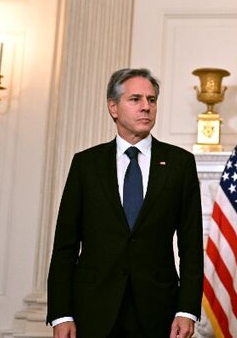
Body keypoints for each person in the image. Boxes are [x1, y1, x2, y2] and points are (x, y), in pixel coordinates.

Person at [47, 68, 203, 338]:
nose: (146, 107)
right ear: (113, 107)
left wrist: (187, 310)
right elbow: (65, 246)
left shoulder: (180, 164)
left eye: (151, 100)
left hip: (158, 313)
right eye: (136, 99)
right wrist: (61, 313)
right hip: (93, 311)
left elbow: (191, 246)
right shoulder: (86, 165)